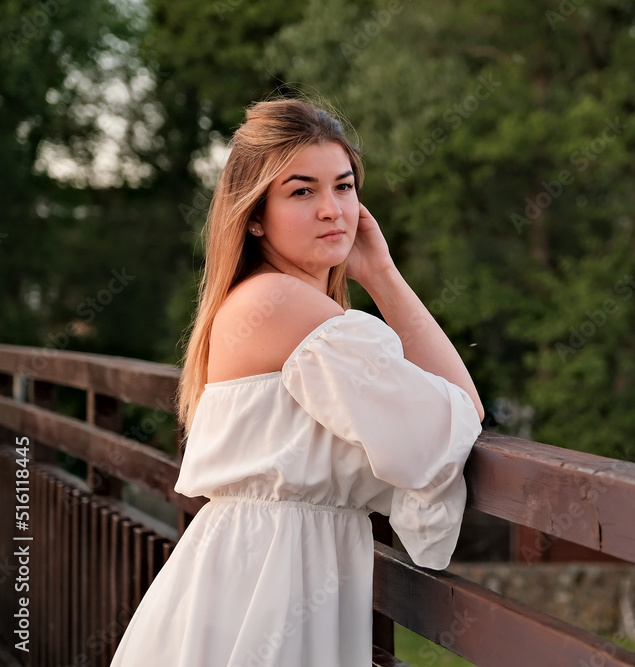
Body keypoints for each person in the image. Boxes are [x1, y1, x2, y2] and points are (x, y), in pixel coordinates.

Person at [110, 97, 485, 666]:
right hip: (273, 580)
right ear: (255, 215)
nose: (333, 210)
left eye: (344, 186)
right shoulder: (282, 303)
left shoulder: (270, 300)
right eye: (302, 191)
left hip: (264, 568)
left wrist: (376, 270)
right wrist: (385, 277)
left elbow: (447, 413)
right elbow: (457, 414)